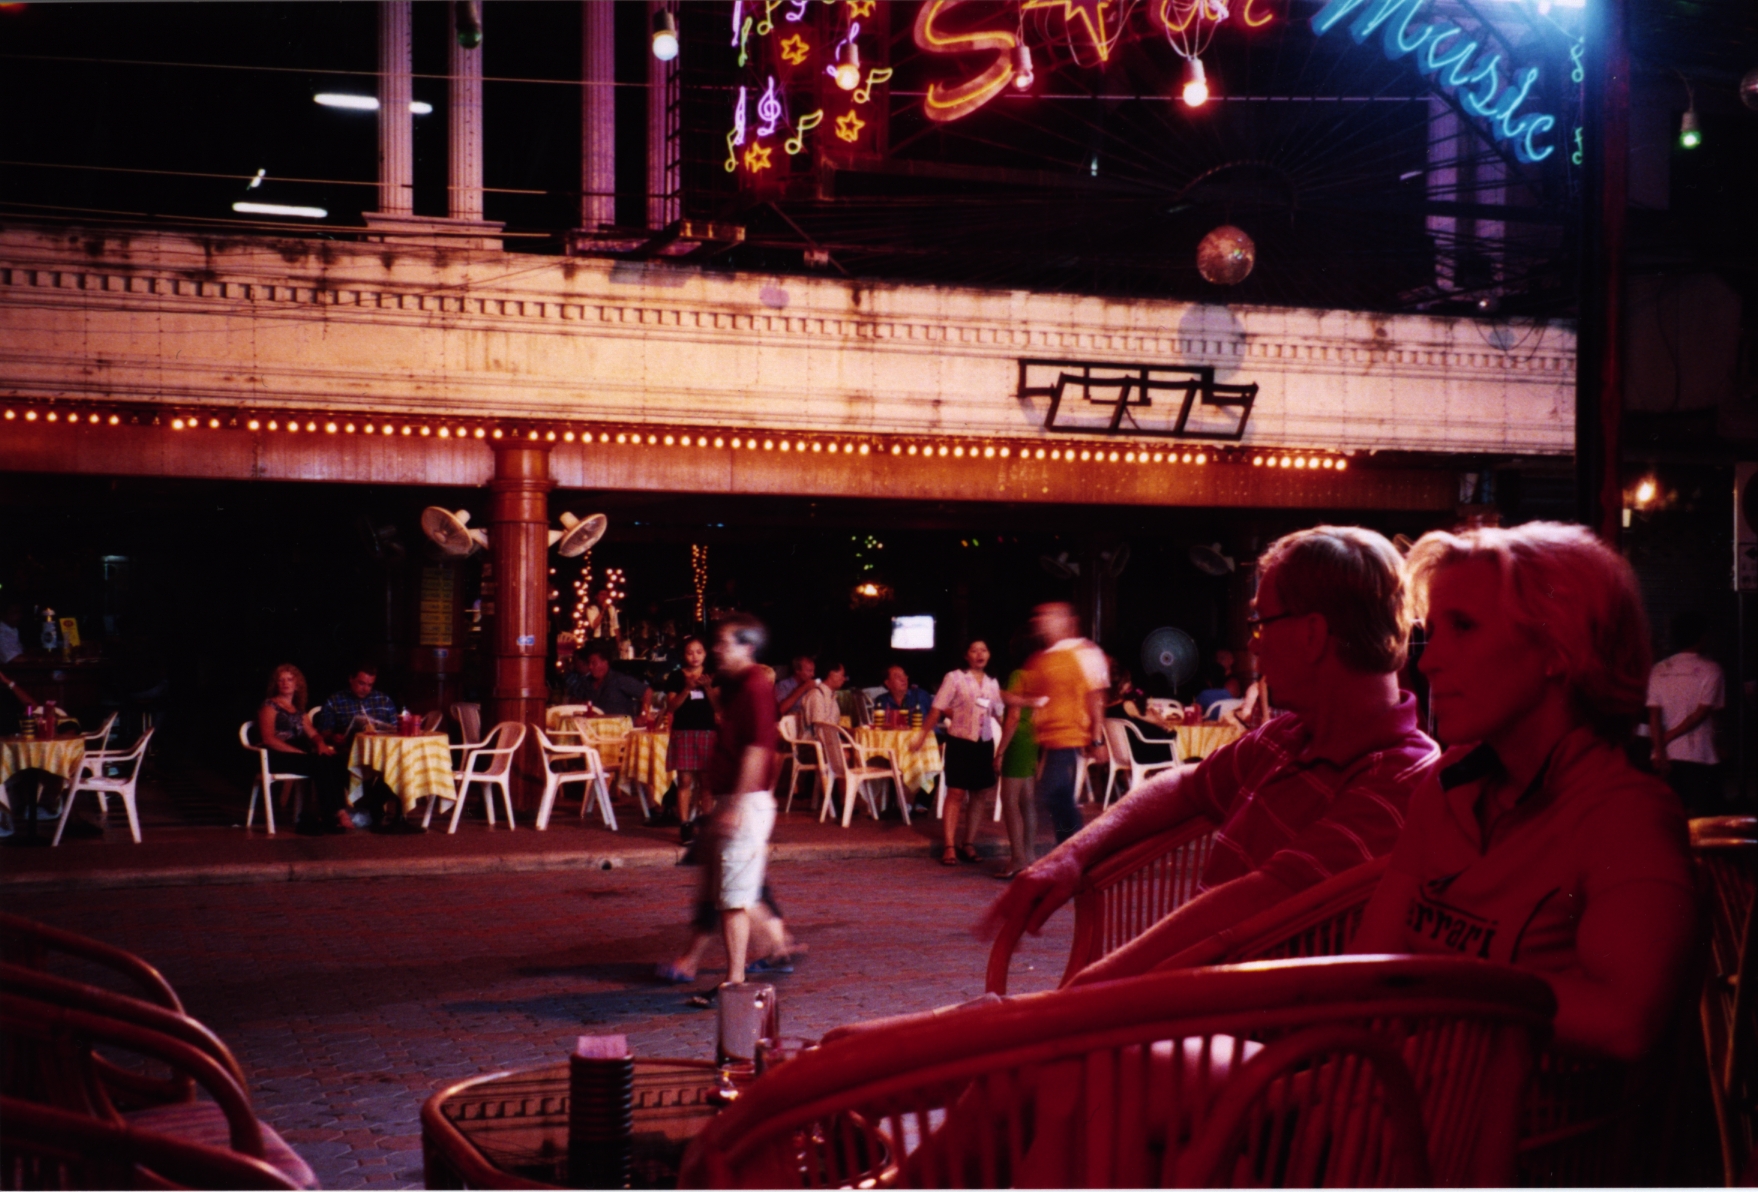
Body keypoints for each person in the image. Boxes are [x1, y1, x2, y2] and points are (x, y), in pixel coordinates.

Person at [982, 527, 1440, 985]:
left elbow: (1244, 910)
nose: (1254, 643)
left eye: (1261, 622)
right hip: (1198, 1000)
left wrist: (1070, 1002)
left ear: (1313, 634)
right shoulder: (1291, 736)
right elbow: (1186, 783)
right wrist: (1071, 854)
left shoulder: (1400, 781)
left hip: (1245, 1020)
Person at [1350, 522, 1696, 1067]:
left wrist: (1435, 989)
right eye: (1433, 630)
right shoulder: (1450, 781)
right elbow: (1369, 966)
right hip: (1381, 1091)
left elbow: (1625, 1023)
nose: (1429, 660)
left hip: (1498, 1118)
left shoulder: (1623, 815)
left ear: (1558, 649)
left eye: (1463, 627)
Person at [663, 613, 788, 997]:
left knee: (734, 899)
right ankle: (767, 953)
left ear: (747, 647)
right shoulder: (740, 685)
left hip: (743, 802)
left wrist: (734, 805)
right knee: (730, 894)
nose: (717, 649)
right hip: (735, 800)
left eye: (725, 643)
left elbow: (757, 749)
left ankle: (737, 981)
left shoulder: (755, 687)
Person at [915, 640, 1037, 866]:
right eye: (974, 650)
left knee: (980, 793)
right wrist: (922, 736)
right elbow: (937, 708)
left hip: (984, 743)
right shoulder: (954, 678)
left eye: (984, 650)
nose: (980, 654)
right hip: (960, 741)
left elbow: (1000, 715)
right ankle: (949, 846)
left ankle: (968, 843)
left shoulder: (992, 682)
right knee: (956, 792)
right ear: (966, 655)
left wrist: (1009, 743)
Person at [1017, 603, 1110, 847]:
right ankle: (1070, 849)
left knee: (1054, 790)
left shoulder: (1085, 653)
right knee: (1054, 796)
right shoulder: (1040, 659)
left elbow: (1096, 697)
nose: (1042, 622)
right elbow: (1032, 697)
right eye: (1040, 617)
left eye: (1050, 617)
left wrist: (1097, 739)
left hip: (1071, 737)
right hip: (1047, 740)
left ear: (1068, 621)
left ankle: (1076, 849)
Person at [1645, 610, 1725, 815]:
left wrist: (1659, 749)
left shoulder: (1659, 669)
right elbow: (1703, 712)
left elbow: (1654, 714)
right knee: (1702, 818)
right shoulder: (1711, 669)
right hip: (1700, 755)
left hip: (1665, 755)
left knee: (1670, 816)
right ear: (1702, 636)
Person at [257, 664, 350, 836]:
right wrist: (299, 753)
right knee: (318, 763)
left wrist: (320, 744)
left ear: (297, 684)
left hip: (298, 754)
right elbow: (268, 739)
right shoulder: (269, 706)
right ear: (276, 684)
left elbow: (313, 733)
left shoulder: (299, 711)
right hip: (276, 754)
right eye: (281, 680)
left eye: (289, 679)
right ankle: (336, 814)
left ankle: (334, 813)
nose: (285, 683)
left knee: (332, 759)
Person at [662, 636, 717, 843]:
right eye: (690, 652)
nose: (695, 656)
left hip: (708, 732)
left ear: (705, 654)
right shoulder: (676, 676)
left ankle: (707, 825)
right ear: (683, 655)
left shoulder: (712, 675)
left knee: (706, 782)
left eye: (699, 652)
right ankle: (685, 825)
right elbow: (671, 707)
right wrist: (686, 688)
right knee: (684, 780)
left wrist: (708, 687)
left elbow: (719, 707)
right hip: (683, 732)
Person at [994, 651, 1040, 879]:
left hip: (1017, 739)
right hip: (1031, 738)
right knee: (1027, 801)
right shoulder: (1037, 676)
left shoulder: (1017, 676)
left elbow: (1013, 716)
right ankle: (1029, 855)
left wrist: (1000, 752)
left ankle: (1017, 858)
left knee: (1010, 800)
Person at [1104, 663, 1176, 765]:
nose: (1130, 684)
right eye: (1128, 681)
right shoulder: (1127, 705)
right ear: (1121, 686)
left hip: (1122, 754)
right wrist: (1153, 712)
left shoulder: (1106, 708)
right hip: (1143, 753)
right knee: (1178, 743)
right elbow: (1159, 722)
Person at [315, 663, 398, 743]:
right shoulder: (334, 701)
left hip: (379, 748)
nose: (365, 689)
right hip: (347, 749)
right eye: (361, 683)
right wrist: (333, 737)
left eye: (370, 685)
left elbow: (397, 730)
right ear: (351, 679)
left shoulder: (384, 700)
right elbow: (323, 733)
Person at [561, 644, 651, 717]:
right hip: (596, 727)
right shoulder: (587, 682)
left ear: (605, 662)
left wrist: (643, 715)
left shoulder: (619, 680)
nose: (590, 667)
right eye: (589, 663)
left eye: (594, 663)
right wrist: (580, 703)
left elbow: (647, 691)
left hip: (622, 725)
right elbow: (571, 699)